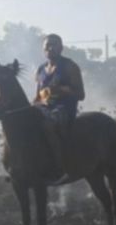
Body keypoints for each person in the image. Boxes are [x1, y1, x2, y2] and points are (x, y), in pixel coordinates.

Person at [34, 33, 85, 170]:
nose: (50, 49)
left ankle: (59, 165)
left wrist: (61, 89)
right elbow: (38, 96)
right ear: (43, 49)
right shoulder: (40, 69)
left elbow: (80, 94)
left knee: (48, 125)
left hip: (63, 109)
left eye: (54, 45)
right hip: (44, 108)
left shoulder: (70, 67)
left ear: (61, 48)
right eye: (47, 46)